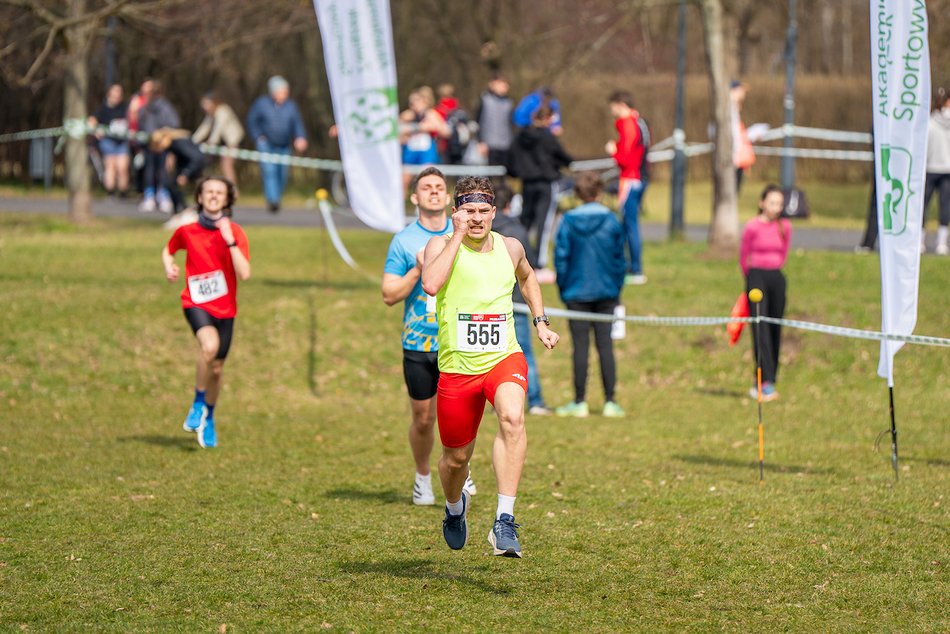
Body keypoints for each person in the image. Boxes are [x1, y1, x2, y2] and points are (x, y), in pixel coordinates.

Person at [421, 176, 559, 558]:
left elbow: (528, 277)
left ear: (495, 212)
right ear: (456, 213)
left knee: (513, 417)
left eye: (484, 211)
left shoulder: (510, 247)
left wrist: (541, 322)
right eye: (469, 211)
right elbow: (431, 283)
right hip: (458, 368)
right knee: (455, 460)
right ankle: (454, 508)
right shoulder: (440, 245)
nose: (477, 218)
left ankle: (504, 520)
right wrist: (456, 236)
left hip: (503, 357)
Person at [382, 167, 476, 505]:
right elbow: (389, 294)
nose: (434, 191)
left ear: (448, 197)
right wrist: (420, 268)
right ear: (415, 197)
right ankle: (423, 477)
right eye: (426, 187)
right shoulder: (403, 241)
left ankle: (460, 467)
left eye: (439, 187)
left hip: (458, 340)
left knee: (460, 416)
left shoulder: (465, 235)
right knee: (424, 419)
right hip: (419, 342)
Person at [162, 176, 250, 448]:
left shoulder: (235, 232)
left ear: (227, 199)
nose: (213, 196)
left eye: (219, 192)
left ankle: (208, 418)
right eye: (208, 191)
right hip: (196, 302)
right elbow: (168, 249)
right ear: (200, 197)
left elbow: (245, 273)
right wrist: (169, 266)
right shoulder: (187, 230)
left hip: (226, 309)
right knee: (209, 347)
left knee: (217, 369)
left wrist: (229, 241)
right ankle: (198, 404)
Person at [553, 172, 626, 418]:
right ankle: (610, 401)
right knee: (606, 346)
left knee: (580, 347)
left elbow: (560, 258)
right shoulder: (612, 220)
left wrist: (564, 287)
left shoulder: (567, 221)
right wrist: (616, 286)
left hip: (576, 292)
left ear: (577, 195)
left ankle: (579, 400)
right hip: (606, 291)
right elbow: (620, 259)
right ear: (600, 193)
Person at [489, 182, 552, 416]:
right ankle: (535, 401)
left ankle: (497, 401)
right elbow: (530, 266)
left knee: (493, 353)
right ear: (509, 204)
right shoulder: (518, 231)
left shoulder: (481, 233)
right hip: (515, 301)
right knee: (524, 352)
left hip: (490, 303)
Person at [739, 184, 791, 402]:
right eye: (772, 203)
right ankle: (762, 380)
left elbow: (784, 252)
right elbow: (743, 256)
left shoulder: (785, 226)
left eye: (779, 204)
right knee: (760, 330)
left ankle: (772, 378)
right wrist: (751, 279)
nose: (776, 207)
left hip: (776, 277)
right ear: (762, 203)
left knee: (774, 327)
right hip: (756, 277)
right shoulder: (752, 227)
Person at [507, 105, 573, 261]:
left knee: (526, 220)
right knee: (543, 222)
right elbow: (564, 158)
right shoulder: (547, 137)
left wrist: (516, 173)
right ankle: (539, 260)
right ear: (547, 119)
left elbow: (510, 158)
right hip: (545, 183)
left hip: (526, 183)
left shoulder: (519, 136)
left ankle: (521, 255)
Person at [246, 75, 308, 213]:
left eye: (286, 91)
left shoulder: (291, 106)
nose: (285, 94)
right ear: (273, 92)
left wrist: (300, 137)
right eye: (282, 91)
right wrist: (258, 137)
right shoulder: (261, 104)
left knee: (282, 174)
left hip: (284, 145)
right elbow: (252, 121)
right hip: (266, 145)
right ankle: (273, 200)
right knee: (269, 171)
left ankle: (277, 197)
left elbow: (297, 124)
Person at [606, 91, 647, 285]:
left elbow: (627, 158)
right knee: (626, 225)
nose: (611, 111)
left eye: (613, 106)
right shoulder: (638, 122)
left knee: (630, 225)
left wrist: (614, 151)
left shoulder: (628, 124)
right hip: (636, 178)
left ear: (620, 104)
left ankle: (636, 269)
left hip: (630, 180)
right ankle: (626, 265)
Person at [137, 79, 180, 214]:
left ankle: (162, 195)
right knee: (151, 170)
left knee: (162, 170)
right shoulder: (145, 109)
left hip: (163, 146)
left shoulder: (165, 108)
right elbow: (142, 126)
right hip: (150, 146)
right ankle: (151, 195)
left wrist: (161, 136)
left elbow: (172, 125)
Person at [398, 86, 448, 192]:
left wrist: (429, 126)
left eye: (416, 101)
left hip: (426, 152)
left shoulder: (431, 114)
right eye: (411, 102)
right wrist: (410, 130)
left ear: (424, 101)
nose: (413, 104)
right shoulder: (407, 115)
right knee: (403, 182)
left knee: (426, 180)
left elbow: (445, 131)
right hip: (410, 151)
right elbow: (397, 131)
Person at [192, 91, 245, 191]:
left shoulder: (223, 111)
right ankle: (228, 188)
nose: (204, 107)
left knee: (227, 165)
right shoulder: (211, 114)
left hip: (232, 141)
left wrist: (212, 142)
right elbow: (204, 128)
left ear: (213, 102)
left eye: (206, 103)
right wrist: (192, 141)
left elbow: (218, 128)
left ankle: (233, 189)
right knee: (223, 165)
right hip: (224, 142)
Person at [149, 128, 207, 216]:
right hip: (189, 166)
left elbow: (195, 158)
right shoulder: (173, 145)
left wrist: (185, 174)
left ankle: (184, 210)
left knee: (176, 185)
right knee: (171, 184)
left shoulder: (179, 143)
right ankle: (179, 210)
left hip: (194, 166)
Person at [88, 83, 130, 198]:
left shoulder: (124, 107)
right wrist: (95, 131)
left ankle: (123, 192)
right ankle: (110, 192)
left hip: (121, 141)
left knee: (122, 167)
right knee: (110, 166)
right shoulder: (103, 108)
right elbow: (92, 120)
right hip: (108, 141)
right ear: (109, 95)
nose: (117, 97)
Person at [923, 87, 950, 255]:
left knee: (923, 205)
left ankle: (920, 241)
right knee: (945, 206)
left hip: (930, 168)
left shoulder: (928, 122)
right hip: (947, 169)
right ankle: (942, 243)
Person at [475, 73, 514, 170]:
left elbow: (511, 125)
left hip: (505, 145)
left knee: (503, 172)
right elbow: (477, 122)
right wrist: (480, 142)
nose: (504, 86)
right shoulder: (484, 100)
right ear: (492, 84)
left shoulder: (509, 103)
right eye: (500, 83)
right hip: (489, 145)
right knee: (490, 172)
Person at [730, 80, 756, 194]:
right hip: (732, 158)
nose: (743, 93)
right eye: (741, 90)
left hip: (736, 158)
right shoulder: (728, 109)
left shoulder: (734, 109)